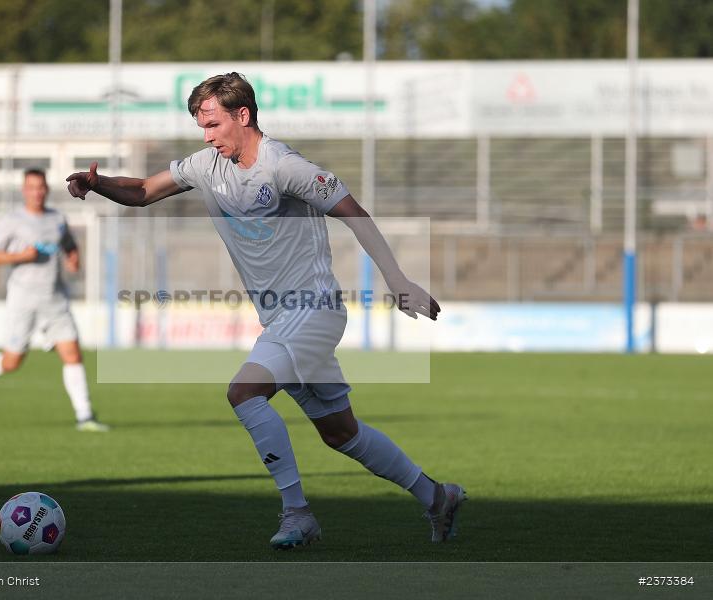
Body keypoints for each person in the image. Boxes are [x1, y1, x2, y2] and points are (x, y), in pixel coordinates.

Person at [65, 73, 465, 547]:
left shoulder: (284, 166)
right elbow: (144, 191)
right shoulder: (206, 164)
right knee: (341, 434)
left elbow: (352, 212)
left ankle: (297, 514)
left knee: (244, 393)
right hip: (281, 318)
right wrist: (98, 183)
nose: (207, 136)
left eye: (212, 124)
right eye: (201, 127)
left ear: (243, 115)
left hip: (314, 308)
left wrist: (397, 281)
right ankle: (437, 496)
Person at [0, 168, 109, 433]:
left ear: (46, 189)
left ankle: (85, 416)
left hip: (55, 299)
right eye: (32, 187)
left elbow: (70, 246)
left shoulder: (57, 219)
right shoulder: (11, 221)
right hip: (23, 301)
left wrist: (73, 258)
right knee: (12, 362)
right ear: (24, 190)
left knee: (72, 354)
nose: (37, 192)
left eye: (41, 187)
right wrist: (21, 257)